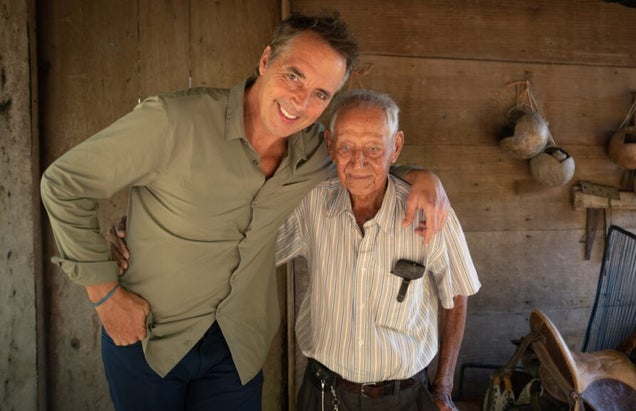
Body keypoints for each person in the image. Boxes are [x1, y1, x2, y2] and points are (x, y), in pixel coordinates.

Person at [40, 13, 450, 411]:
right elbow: (63, 184)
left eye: (321, 94)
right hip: (149, 338)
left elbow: (364, 165)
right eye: (294, 75)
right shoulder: (173, 121)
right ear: (266, 59)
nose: (301, 101)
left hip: (235, 350)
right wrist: (106, 296)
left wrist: (423, 176)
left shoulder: (314, 152)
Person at [275, 89, 481, 410]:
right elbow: (256, 247)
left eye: (373, 148)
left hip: (404, 398)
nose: (358, 162)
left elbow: (456, 296)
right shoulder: (311, 204)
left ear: (395, 147)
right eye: (346, 147)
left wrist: (442, 388)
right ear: (330, 144)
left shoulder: (431, 210)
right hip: (323, 394)